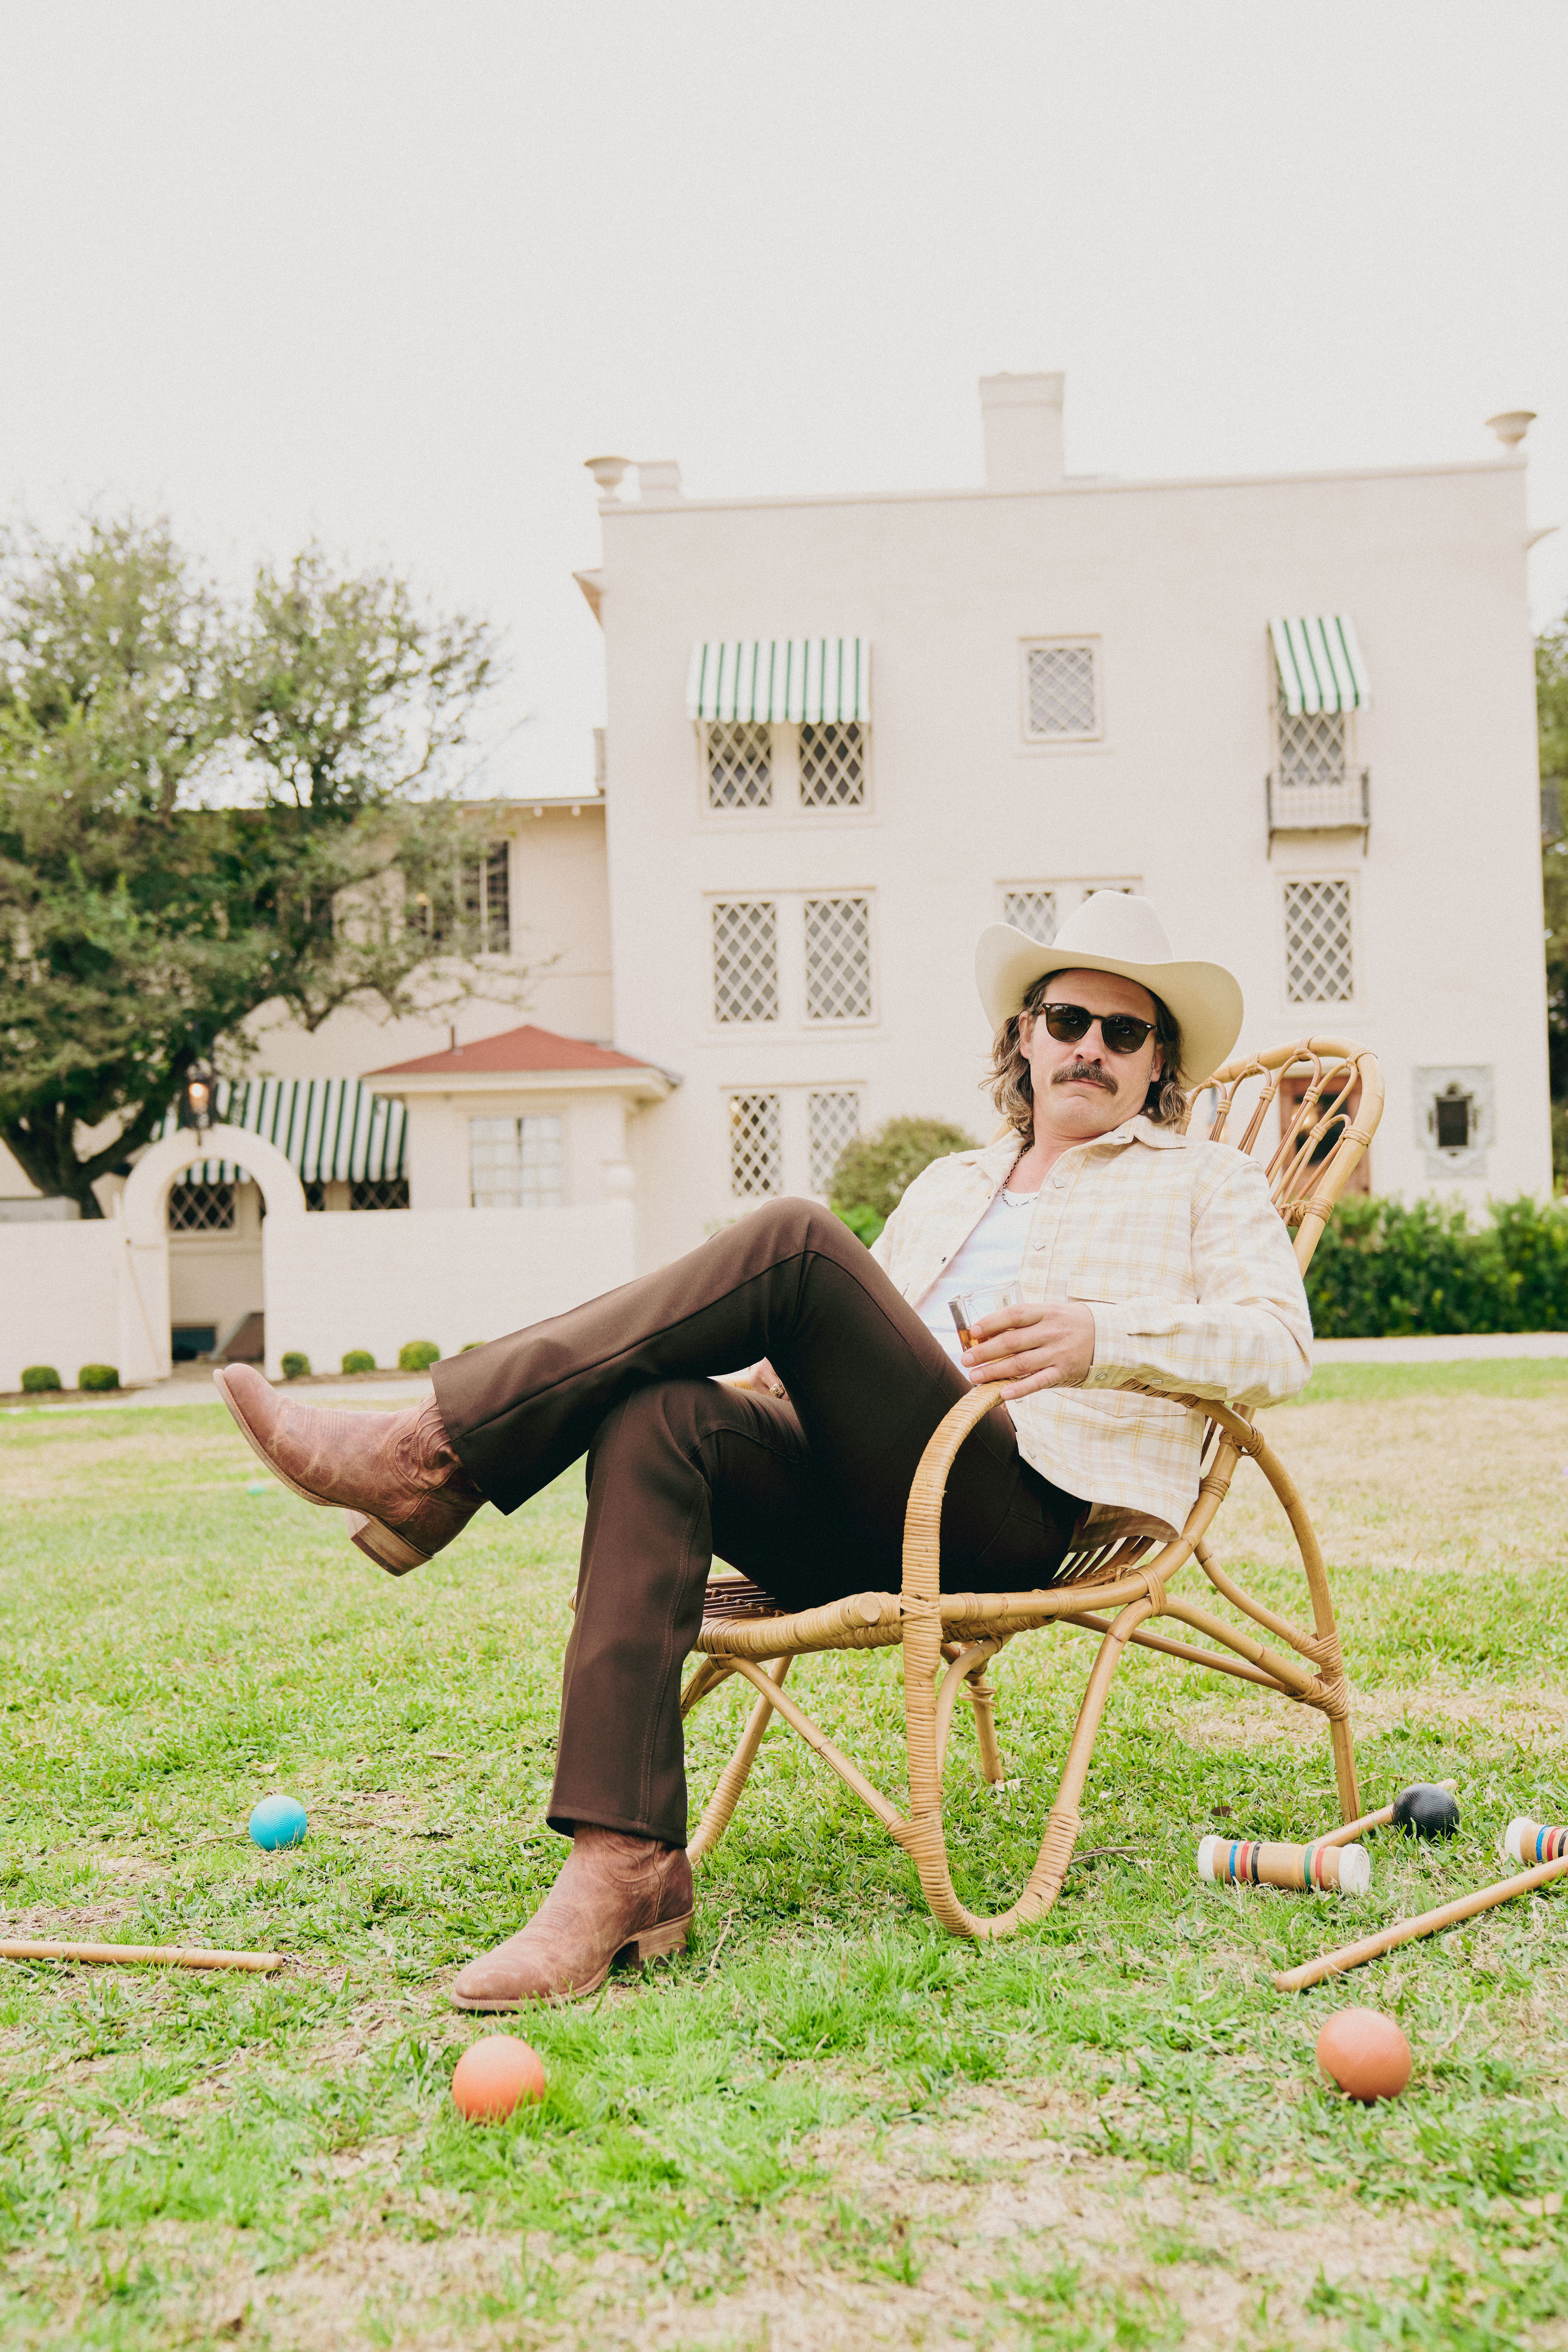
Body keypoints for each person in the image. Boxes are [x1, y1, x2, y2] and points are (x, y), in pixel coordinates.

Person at [214, 892, 1312, 2007]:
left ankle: (432, 1455)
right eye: (1069, 1018)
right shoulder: (948, 1186)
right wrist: (756, 1386)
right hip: (857, 1510)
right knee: (662, 1415)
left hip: (1012, 1508)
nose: (1091, 1047)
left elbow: (1282, 1342)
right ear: (1023, 1033)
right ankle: (626, 1861)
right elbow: (841, 1350)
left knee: (794, 1239)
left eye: (1124, 1033)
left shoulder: (1199, 1178)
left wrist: (1101, 1336)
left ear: (1156, 1060)